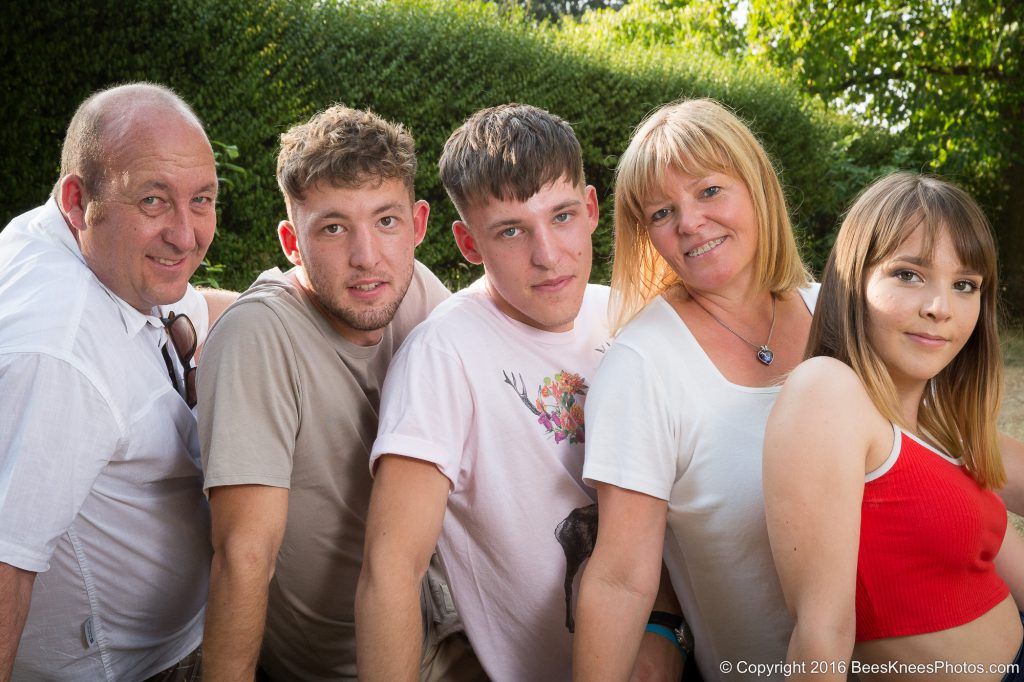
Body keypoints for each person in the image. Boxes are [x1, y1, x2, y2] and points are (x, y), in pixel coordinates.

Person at [356, 104, 686, 682]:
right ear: (467, 242)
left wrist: (663, 631)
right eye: (511, 230)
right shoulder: (444, 355)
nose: (548, 255)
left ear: (590, 210)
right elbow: (391, 570)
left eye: (561, 216)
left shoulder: (629, 315)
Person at [197, 105, 479, 681]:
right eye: (333, 227)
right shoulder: (260, 335)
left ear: (419, 224)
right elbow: (244, 556)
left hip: (455, 635)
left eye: (386, 221)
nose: (366, 255)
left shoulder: (417, 288)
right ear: (290, 241)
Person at [574, 97, 819, 681]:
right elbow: (621, 577)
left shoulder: (832, 311)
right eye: (661, 212)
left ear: (757, 184)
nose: (688, 222)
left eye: (709, 191)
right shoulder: (642, 366)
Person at [0, 82, 235, 681]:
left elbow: (184, 307)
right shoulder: (59, 356)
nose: (186, 236)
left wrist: (283, 302)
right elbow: (6, 568)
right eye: (153, 201)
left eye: (202, 200)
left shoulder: (85, 248)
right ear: (79, 201)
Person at [763, 172, 1024, 680]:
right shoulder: (827, 391)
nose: (939, 307)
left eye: (965, 285)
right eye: (908, 274)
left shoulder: (938, 415)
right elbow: (821, 633)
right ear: (853, 281)